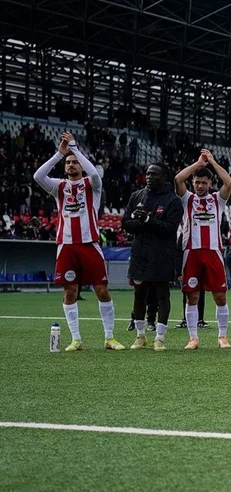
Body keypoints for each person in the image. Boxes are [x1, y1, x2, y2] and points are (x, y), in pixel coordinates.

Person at [33, 132, 123, 351]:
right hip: (66, 246)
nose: (72, 164)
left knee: (101, 290)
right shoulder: (58, 186)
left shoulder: (92, 185)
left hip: (89, 244)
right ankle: (76, 339)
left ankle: (109, 338)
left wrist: (75, 149)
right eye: (69, 163)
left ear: (81, 165)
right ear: (65, 168)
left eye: (75, 162)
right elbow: (37, 176)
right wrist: (59, 154)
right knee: (70, 292)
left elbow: (94, 173)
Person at [174, 149, 231, 349]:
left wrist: (213, 162)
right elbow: (178, 178)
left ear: (210, 184)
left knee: (220, 296)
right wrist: (199, 164)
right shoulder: (187, 199)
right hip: (191, 253)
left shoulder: (217, 200)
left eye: (204, 182)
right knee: (192, 296)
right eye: (197, 182)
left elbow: (229, 183)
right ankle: (193, 338)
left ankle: (222, 336)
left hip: (214, 252)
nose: (200, 186)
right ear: (194, 183)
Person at [123, 162, 184, 350]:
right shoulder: (136, 196)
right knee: (139, 293)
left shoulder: (173, 201)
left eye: (155, 174)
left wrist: (148, 220)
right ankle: (140, 336)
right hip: (140, 253)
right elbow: (126, 224)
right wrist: (138, 220)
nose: (150, 177)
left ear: (164, 177)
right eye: (148, 174)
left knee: (162, 295)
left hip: (162, 254)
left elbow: (169, 229)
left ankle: (160, 337)